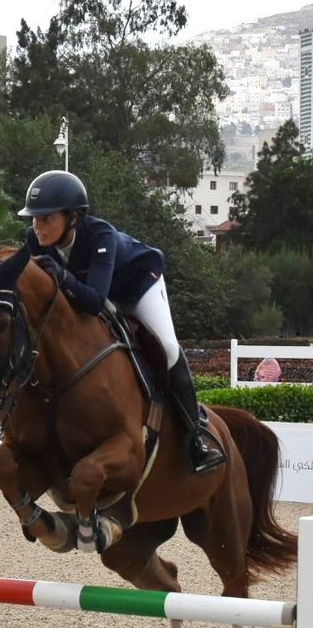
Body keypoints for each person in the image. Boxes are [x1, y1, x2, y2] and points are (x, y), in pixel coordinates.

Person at [18, 170, 225, 474]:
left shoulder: (100, 236)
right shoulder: (34, 240)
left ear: (73, 218)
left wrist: (61, 275)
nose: (37, 226)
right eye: (34, 218)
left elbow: (93, 302)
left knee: (167, 348)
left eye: (46, 218)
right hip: (91, 290)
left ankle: (196, 436)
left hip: (138, 286)